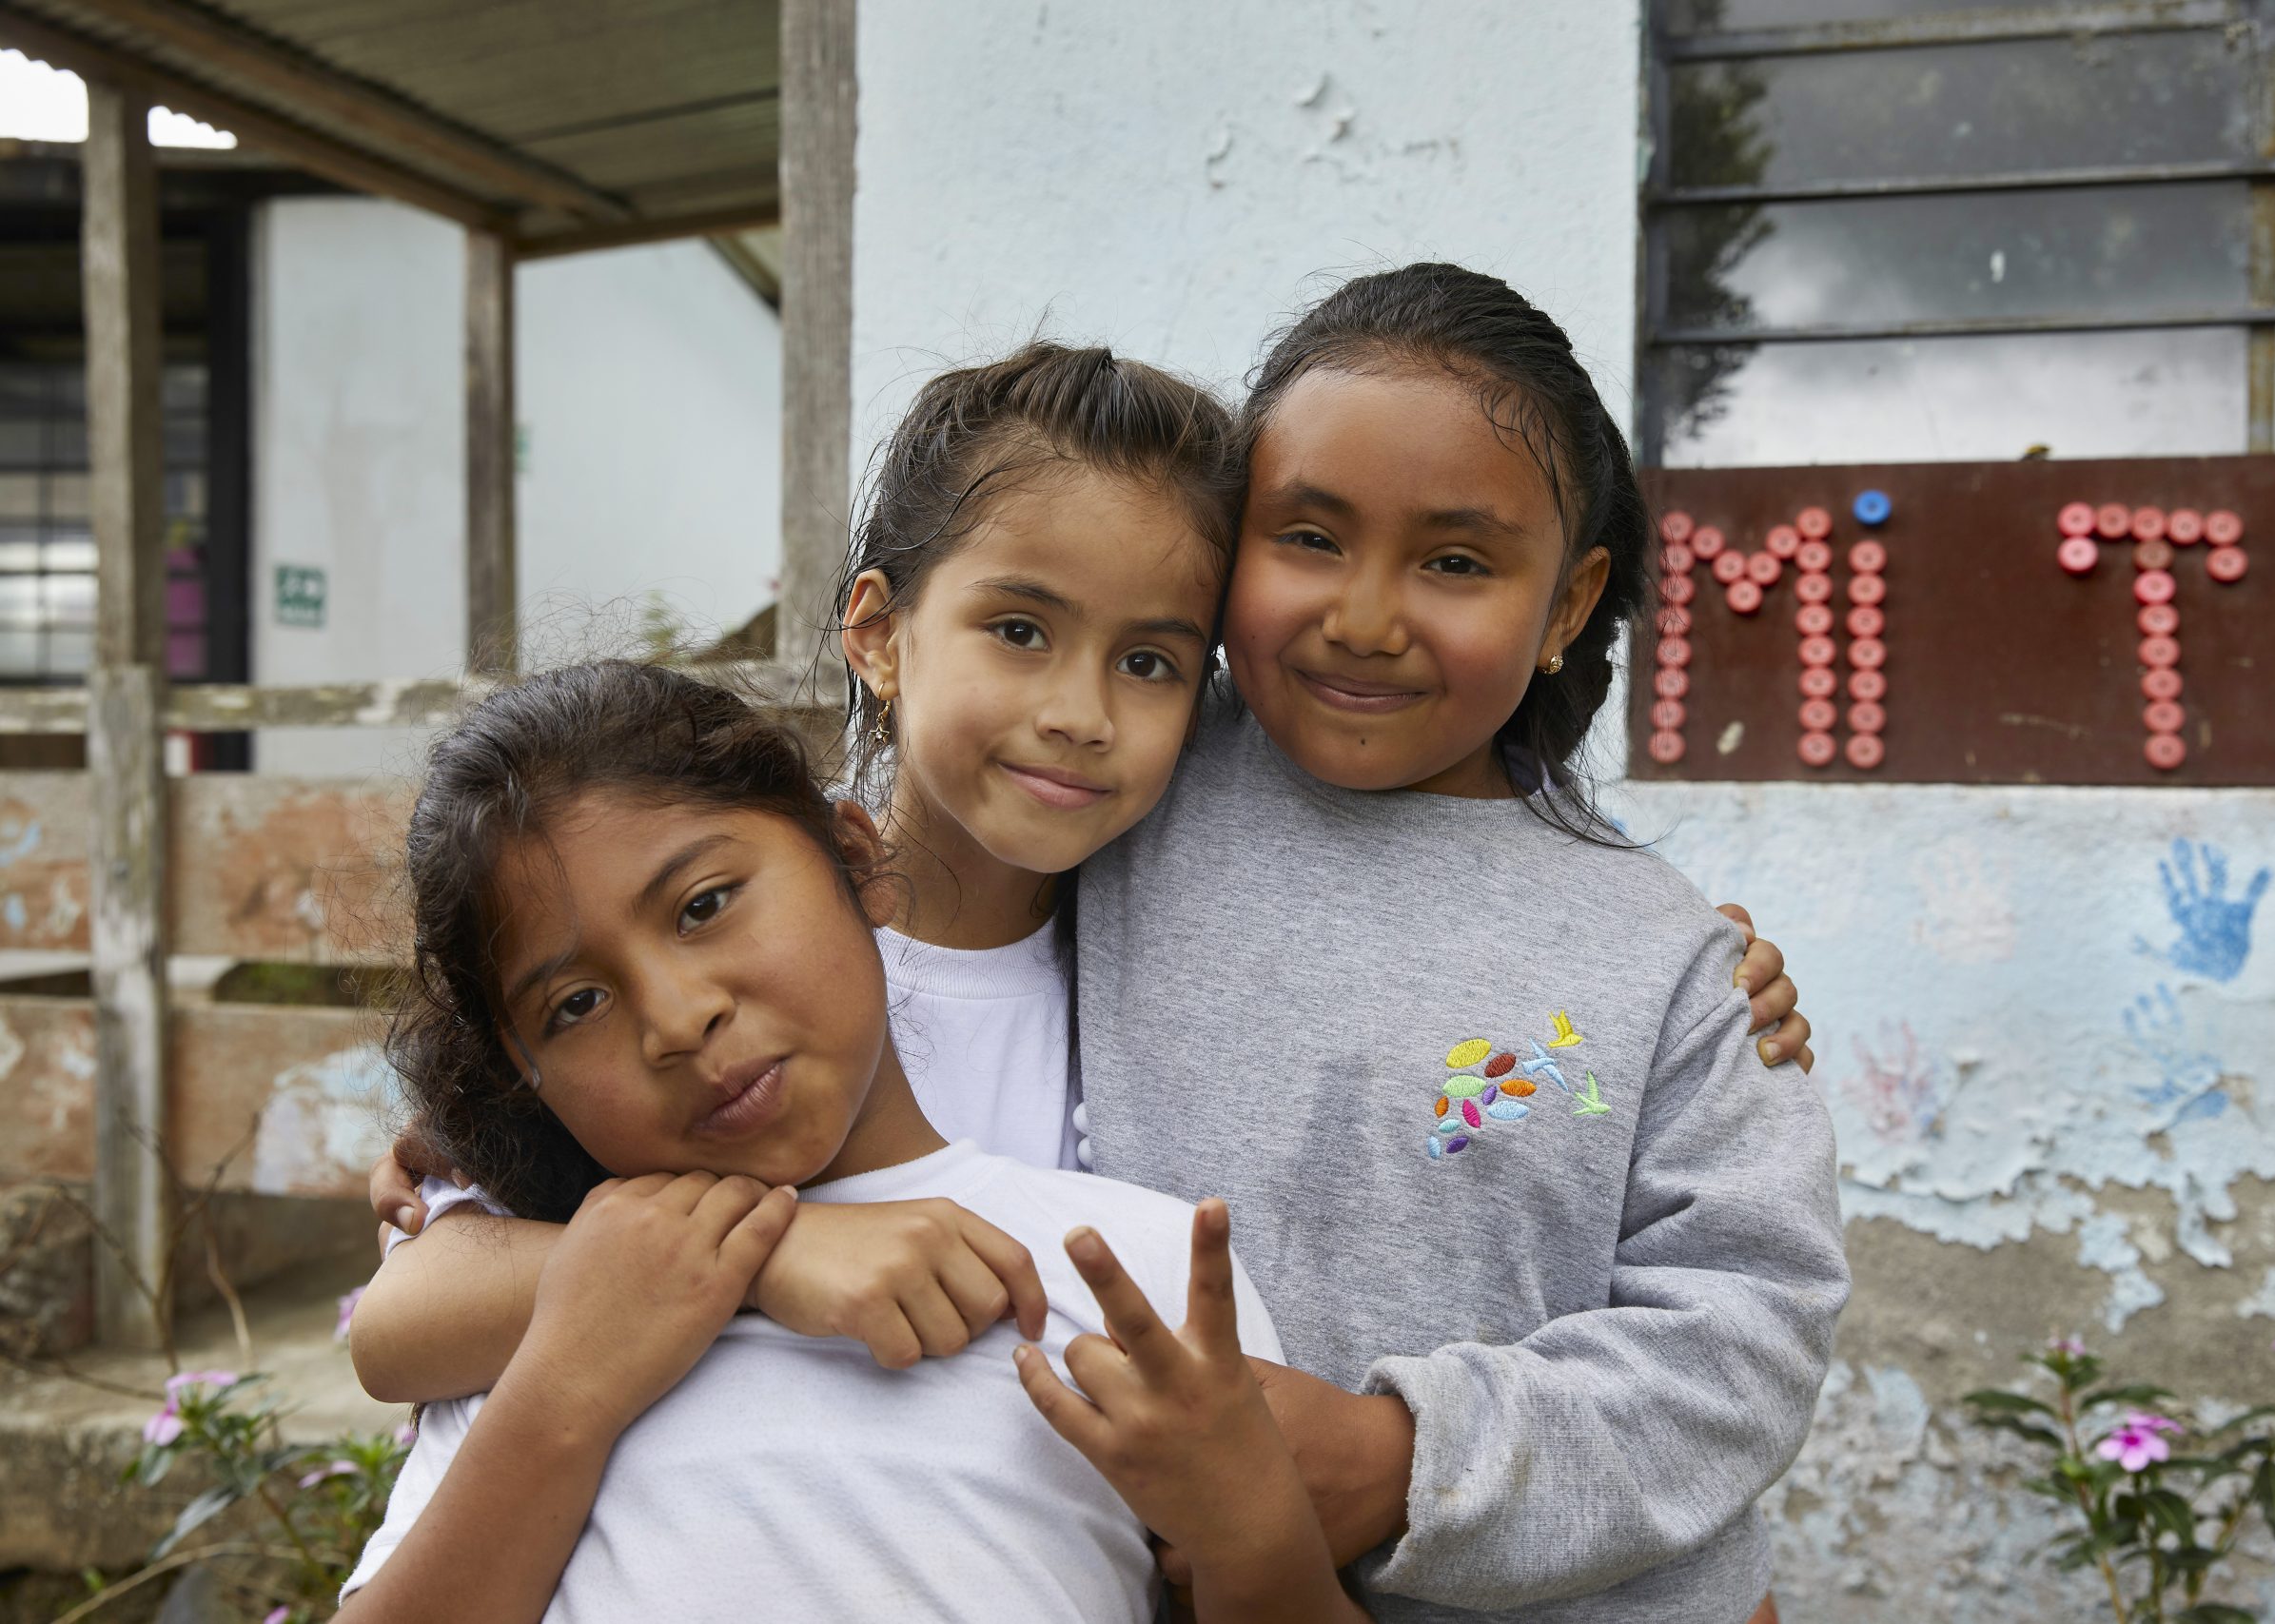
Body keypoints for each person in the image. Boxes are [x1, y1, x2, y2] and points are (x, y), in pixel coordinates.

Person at [359, 334, 1824, 1621]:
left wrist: (1651, 949)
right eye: (1018, 630)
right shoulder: (741, 983)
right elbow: (405, 1312)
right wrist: (771, 1247)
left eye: (1150, 661)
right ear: (877, 630)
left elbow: (1458, 858)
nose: (1077, 714)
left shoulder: (1181, 888)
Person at [1071, 264, 1850, 1624]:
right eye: (1306, 535)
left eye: (1455, 561)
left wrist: (1399, 1459)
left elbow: (1742, 1340)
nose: (1365, 615)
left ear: (1566, 602)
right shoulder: (1115, 802)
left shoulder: (1663, 963)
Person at [339, 660, 1360, 1623]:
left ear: (858, 864)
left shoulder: (1136, 1271)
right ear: (528, 1076)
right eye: (576, 1004)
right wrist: (571, 1384)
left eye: (703, 906)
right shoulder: (561, 1293)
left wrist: (1257, 1534)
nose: (676, 1019)